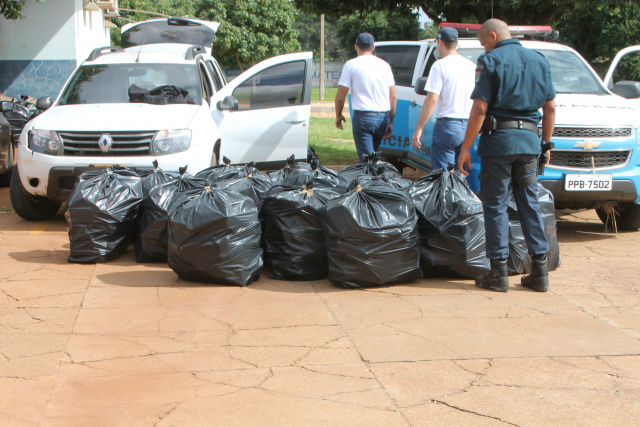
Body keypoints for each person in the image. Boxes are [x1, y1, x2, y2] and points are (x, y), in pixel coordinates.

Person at [458, 18, 556, 293]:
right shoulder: (539, 60)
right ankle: (539, 272)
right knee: (529, 203)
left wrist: (465, 148)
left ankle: (498, 274)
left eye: (483, 43)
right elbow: (550, 109)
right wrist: (546, 144)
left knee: (496, 205)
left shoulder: (490, 61)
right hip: (528, 145)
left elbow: (479, 109)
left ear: (492, 36)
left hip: (499, 146)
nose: (484, 48)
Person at [411, 27, 476, 171]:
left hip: (447, 126)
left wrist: (419, 128)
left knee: (442, 175)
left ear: (440, 42)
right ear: (456, 43)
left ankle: (444, 194)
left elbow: (432, 99)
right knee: (460, 174)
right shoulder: (472, 66)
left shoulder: (440, 65)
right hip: (468, 125)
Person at [335, 33, 397, 162]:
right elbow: (393, 97)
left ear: (356, 46)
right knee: (372, 159)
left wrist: (338, 115)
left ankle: (370, 181)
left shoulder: (351, 65)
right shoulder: (385, 65)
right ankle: (374, 180)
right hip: (383, 117)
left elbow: (340, 97)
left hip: (363, 118)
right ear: (373, 47)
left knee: (367, 162)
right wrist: (390, 121)